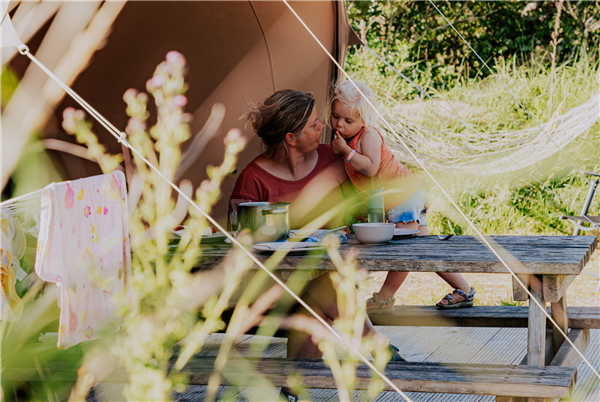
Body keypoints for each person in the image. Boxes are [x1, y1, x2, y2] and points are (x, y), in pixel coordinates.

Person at [230, 89, 403, 402]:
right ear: (291, 138)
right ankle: (378, 347)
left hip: (331, 279)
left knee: (318, 300)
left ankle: (289, 393)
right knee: (324, 292)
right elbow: (239, 244)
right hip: (273, 288)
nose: (324, 126)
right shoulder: (253, 179)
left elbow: (369, 199)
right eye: (313, 124)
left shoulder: (332, 157)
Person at [328, 80, 476, 310]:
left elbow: (371, 168)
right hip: (402, 197)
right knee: (425, 250)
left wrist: (346, 151)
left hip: (402, 197)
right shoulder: (345, 140)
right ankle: (464, 290)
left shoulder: (368, 136)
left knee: (403, 252)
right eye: (335, 116)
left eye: (348, 120)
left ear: (364, 120)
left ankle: (384, 298)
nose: (339, 124)